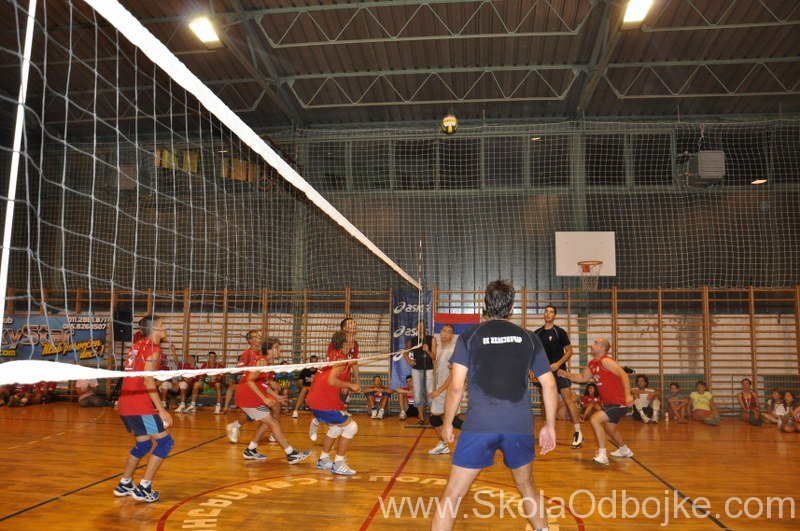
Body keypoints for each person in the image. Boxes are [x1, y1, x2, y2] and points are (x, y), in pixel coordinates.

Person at [431, 280, 557, 531]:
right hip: (518, 425)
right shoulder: (529, 337)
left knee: (453, 493)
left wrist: (447, 423)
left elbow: (456, 387)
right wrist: (550, 426)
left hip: (480, 425)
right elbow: (550, 385)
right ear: (511, 308)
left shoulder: (469, 336)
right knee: (527, 486)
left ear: (485, 304)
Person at [114, 315, 174, 503]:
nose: (165, 328)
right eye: (162, 325)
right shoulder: (154, 349)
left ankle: (125, 483)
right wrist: (161, 409)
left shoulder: (137, 346)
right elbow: (147, 380)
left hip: (126, 402)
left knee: (144, 444)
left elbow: (141, 376)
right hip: (139, 405)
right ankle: (143, 487)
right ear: (154, 329)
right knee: (165, 443)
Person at [559, 338, 635, 467]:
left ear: (602, 348)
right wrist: (567, 375)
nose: (592, 345)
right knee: (610, 429)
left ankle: (603, 455)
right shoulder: (592, 364)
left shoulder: (606, 361)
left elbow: (624, 375)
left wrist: (628, 396)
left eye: (596, 343)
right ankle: (624, 450)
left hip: (619, 402)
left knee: (595, 419)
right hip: (610, 403)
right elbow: (583, 378)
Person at [235, 337, 310, 463]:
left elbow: (262, 384)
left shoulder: (267, 363)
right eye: (276, 347)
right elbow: (250, 381)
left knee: (267, 422)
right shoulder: (262, 362)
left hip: (251, 396)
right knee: (273, 423)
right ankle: (291, 453)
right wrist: (264, 398)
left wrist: (276, 396)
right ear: (268, 350)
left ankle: (251, 450)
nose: (279, 350)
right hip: (248, 397)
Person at [306, 331, 361, 476]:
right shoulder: (341, 359)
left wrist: (345, 384)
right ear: (344, 343)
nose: (353, 339)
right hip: (324, 402)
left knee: (336, 428)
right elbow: (331, 380)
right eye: (350, 338)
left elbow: (331, 378)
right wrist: (350, 385)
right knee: (351, 427)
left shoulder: (333, 354)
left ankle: (323, 460)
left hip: (315, 399)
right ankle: (338, 463)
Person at [535, 305, 583, 448]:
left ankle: (578, 432)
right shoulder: (537, 333)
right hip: (544, 372)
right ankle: (548, 430)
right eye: (546, 311)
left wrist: (558, 364)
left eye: (551, 312)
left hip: (560, 371)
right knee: (545, 401)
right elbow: (535, 354)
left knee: (568, 399)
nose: (548, 314)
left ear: (554, 316)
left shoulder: (559, 332)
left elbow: (569, 351)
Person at [310, 319, 359, 440]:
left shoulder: (354, 344)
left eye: (354, 322)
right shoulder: (336, 343)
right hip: (330, 378)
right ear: (344, 328)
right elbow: (333, 365)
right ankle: (317, 421)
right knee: (330, 407)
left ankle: (323, 426)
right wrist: (346, 384)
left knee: (339, 407)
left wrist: (354, 382)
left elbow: (353, 363)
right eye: (350, 323)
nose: (354, 324)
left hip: (342, 377)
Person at [225, 330, 263, 443]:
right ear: (250, 340)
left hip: (259, 386)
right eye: (256, 337)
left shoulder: (261, 353)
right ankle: (235, 426)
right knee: (254, 414)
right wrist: (251, 370)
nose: (259, 339)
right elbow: (240, 369)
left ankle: (274, 432)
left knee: (267, 411)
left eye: (260, 337)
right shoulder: (247, 353)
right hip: (248, 387)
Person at [428, 323, 456, 455]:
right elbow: (436, 367)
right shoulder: (439, 347)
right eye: (444, 331)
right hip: (439, 387)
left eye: (449, 332)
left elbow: (452, 374)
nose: (445, 334)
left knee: (438, 417)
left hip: (447, 389)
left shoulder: (452, 350)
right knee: (437, 417)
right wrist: (434, 386)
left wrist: (439, 391)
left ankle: (444, 443)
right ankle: (444, 443)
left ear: (452, 335)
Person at [403, 320, 437, 425]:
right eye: (419, 326)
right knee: (417, 396)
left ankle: (433, 419)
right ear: (416, 328)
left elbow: (434, 356)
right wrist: (409, 360)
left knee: (430, 395)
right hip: (416, 370)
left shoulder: (432, 339)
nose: (421, 328)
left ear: (425, 327)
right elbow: (404, 352)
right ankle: (422, 419)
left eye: (422, 326)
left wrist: (427, 350)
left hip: (429, 369)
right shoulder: (412, 341)